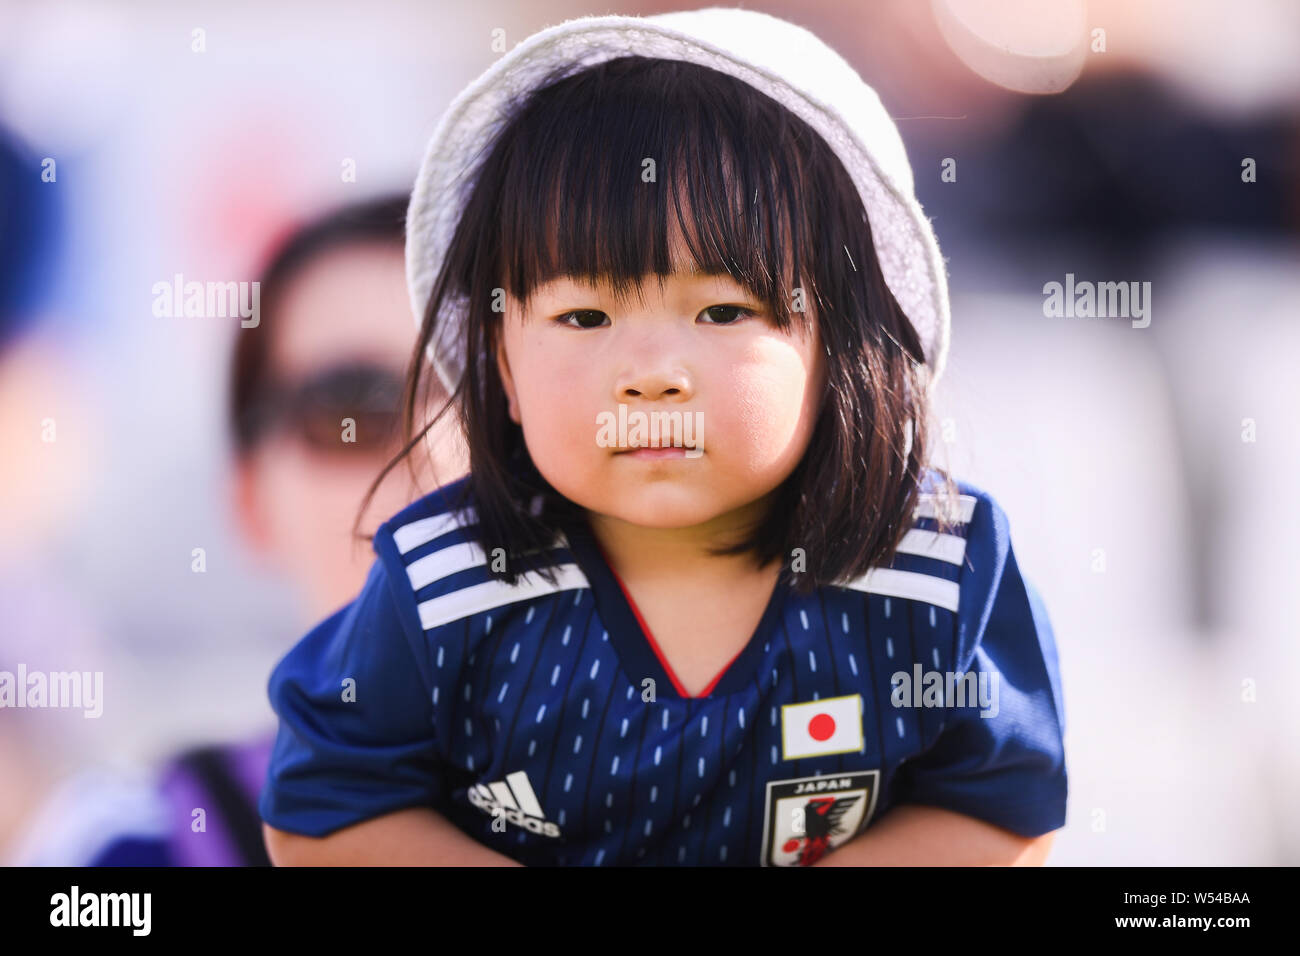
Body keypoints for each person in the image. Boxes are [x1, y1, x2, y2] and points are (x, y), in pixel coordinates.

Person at [260, 8, 1067, 867]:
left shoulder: (933, 574)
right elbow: (324, 812)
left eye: (722, 310)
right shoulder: (445, 587)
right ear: (504, 360)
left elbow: (1001, 808)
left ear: (842, 345)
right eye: (583, 315)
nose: (649, 373)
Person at [78, 193, 468, 865]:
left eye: (491, 400)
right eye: (354, 406)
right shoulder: (133, 850)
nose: (440, 462)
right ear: (252, 497)